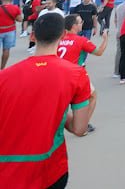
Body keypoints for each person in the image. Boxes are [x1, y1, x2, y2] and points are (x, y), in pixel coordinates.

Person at [0, 13, 92, 189]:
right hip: (49, 169)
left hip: (6, 172)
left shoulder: (3, 77)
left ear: (33, 36)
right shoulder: (76, 74)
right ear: (63, 35)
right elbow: (79, 129)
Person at [0, 0, 23, 69]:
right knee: (6, 50)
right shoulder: (15, 8)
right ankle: (2, 68)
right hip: (10, 31)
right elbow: (19, 20)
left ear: (3, 0)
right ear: (11, 0)